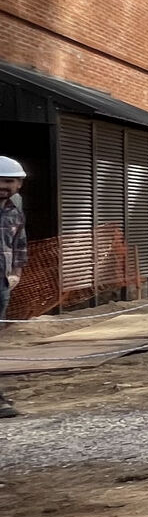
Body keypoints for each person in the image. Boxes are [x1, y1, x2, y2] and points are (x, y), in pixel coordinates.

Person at [0, 155, 28, 419]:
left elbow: (19, 243)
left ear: (18, 184)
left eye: (9, 181)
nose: (3, 186)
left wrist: (16, 273)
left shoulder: (14, 209)